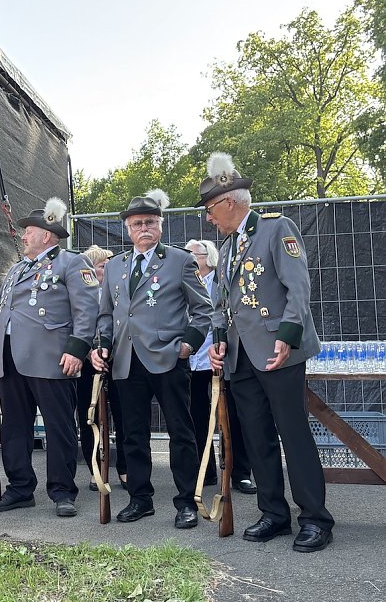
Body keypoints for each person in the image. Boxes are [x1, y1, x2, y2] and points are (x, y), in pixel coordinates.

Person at [200, 152, 334, 552]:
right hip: (242, 358)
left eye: (210, 209)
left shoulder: (277, 229)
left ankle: (315, 519)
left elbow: (299, 287)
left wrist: (289, 337)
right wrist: (219, 339)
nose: (209, 218)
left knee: (293, 435)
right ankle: (273, 513)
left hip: (279, 352)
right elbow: (223, 302)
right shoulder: (225, 248)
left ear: (228, 203)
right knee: (257, 438)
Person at [91, 189, 212, 530]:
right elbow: (105, 314)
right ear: (127, 229)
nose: (143, 228)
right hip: (125, 361)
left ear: (160, 225)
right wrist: (102, 344)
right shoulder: (115, 266)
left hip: (168, 358)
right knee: (132, 434)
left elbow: (204, 310)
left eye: (149, 222)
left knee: (181, 431)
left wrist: (188, 345)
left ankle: (187, 501)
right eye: (136, 223)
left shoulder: (179, 260)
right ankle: (140, 499)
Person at [0, 198, 99, 518]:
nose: (23, 236)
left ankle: (62, 491)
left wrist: (76, 350)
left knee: (59, 426)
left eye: (28, 231)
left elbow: (87, 311)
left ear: (47, 235)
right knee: (15, 427)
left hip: (51, 358)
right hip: (10, 360)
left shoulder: (72, 264)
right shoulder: (17, 269)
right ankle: (20, 488)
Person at [183, 238, 256, 494]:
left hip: (222, 360)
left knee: (233, 419)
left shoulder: (221, 279)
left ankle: (240, 473)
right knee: (197, 419)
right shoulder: (183, 281)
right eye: (188, 254)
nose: (191, 258)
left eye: (196, 254)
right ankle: (206, 471)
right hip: (194, 362)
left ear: (209, 256)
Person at [74, 245, 128, 491]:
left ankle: (126, 469)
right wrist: (87, 353)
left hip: (117, 359)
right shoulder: (78, 293)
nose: (107, 269)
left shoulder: (121, 289)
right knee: (90, 418)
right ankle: (96, 468)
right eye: (102, 265)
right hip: (87, 363)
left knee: (124, 414)